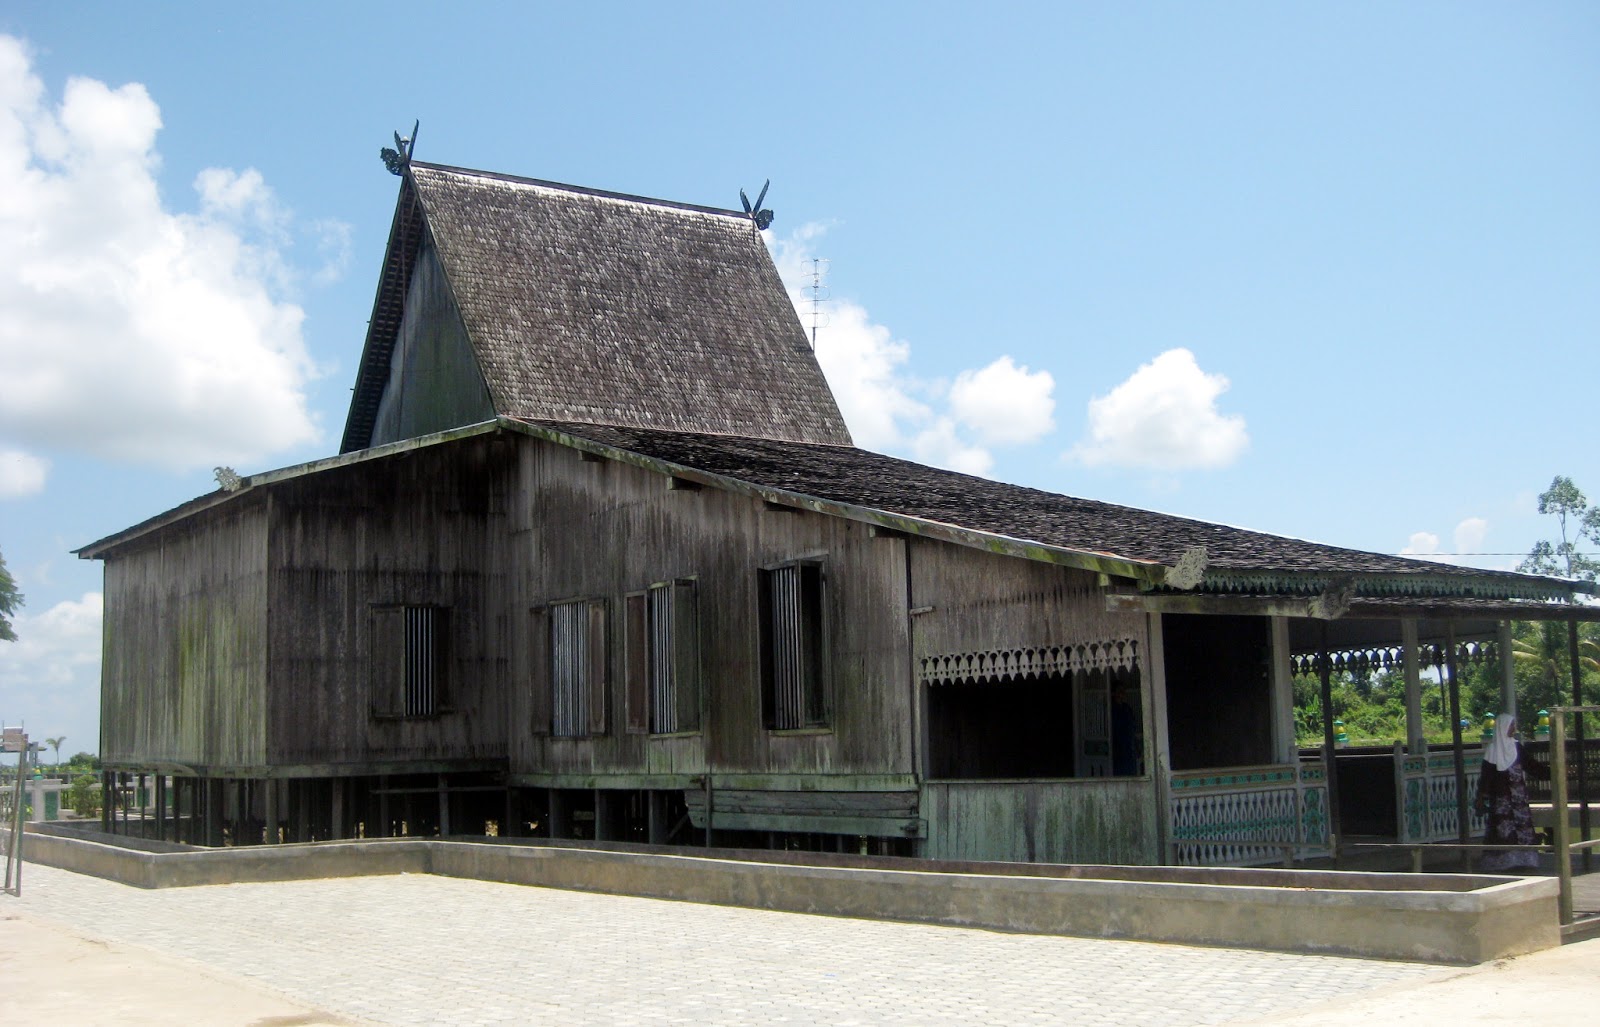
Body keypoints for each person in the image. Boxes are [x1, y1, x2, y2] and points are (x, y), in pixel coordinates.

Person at [1473, 712, 1548, 872]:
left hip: (1518, 798)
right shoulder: (1492, 750)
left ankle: (1524, 860)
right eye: (1511, 725)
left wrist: (1552, 772)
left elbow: (1532, 766)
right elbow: (1486, 776)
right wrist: (1481, 795)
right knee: (1502, 830)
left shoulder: (1516, 747)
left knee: (1522, 829)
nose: (1513, 728)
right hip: (1501, 800)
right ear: (1503, 727)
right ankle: (1503, 862)